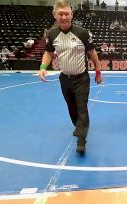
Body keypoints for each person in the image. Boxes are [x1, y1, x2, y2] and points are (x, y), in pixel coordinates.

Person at [38, 0, 102, 154]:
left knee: (82, 107)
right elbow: (48, 53)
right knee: (71, 107)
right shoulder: (52, 34)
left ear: (72, 15)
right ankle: (78, 126)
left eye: (67, 13)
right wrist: (42, 67)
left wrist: (98, 72)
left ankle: (81, 139)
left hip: (81, 78)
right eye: (60, 14)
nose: (64, 17)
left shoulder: (82, 33)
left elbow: (92, 53)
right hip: (65, 79)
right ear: (55, 15)